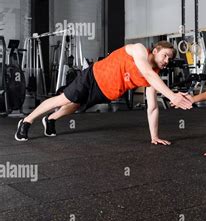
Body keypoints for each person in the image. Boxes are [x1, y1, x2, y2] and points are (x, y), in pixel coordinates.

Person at [15, 41, 193, 144]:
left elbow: (152, 108)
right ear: (155, 51)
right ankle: (26, 121)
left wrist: (154, 136)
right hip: (93, 76)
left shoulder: (154, 77)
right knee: (64, 99)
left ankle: (50, 119)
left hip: (104, 93)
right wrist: (172, 95)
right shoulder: (139, 49)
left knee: (74, 106)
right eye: (165, 56)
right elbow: (145, 71)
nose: (167, 61)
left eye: (170, 58)